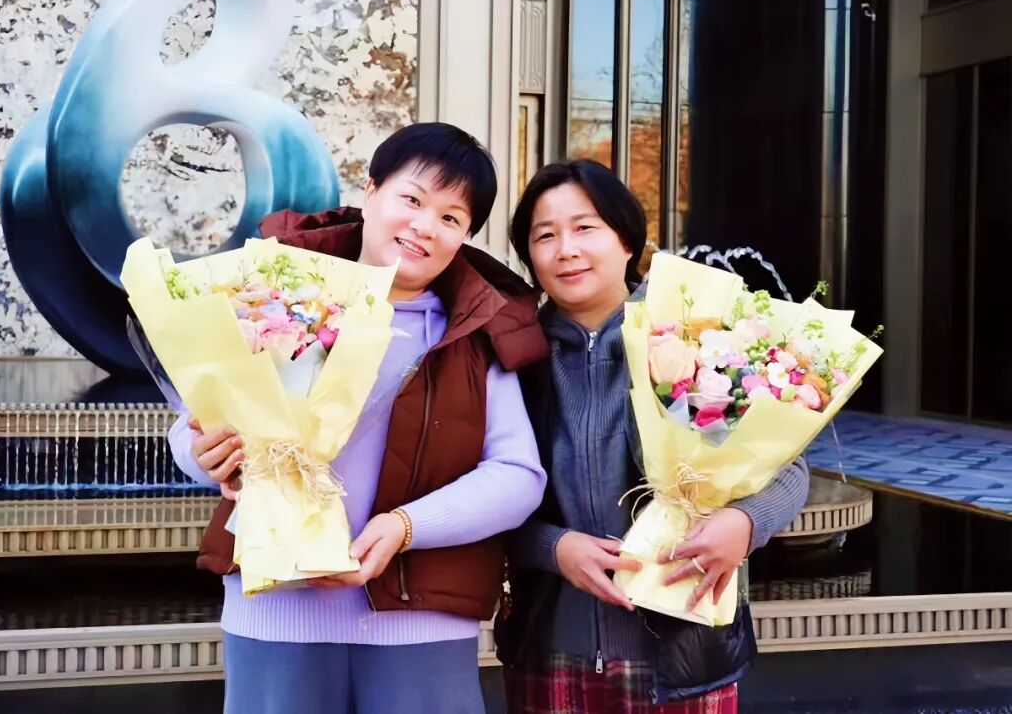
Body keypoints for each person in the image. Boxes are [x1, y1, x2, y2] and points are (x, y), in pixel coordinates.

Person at [167, 123, 548, 714]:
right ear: (370, 191)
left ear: (465, 236)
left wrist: (405, 527)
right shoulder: (270, 297)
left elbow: (518, 476)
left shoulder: (476, 333)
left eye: (451, 218)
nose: (425, 226)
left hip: (420, 626)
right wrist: (204, 455)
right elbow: (193, 424)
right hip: (277, 611)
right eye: (412, 199)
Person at [498, 160, 809, 713]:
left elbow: (788, 468)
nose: (566, 249)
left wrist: (744, 522)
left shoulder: (698, 337)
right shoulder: (513, 357)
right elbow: (485, 493)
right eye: (545, 236)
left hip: (683, 656)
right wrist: (553, 548)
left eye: (585, 227)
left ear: (625, 240)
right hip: (551, 650)